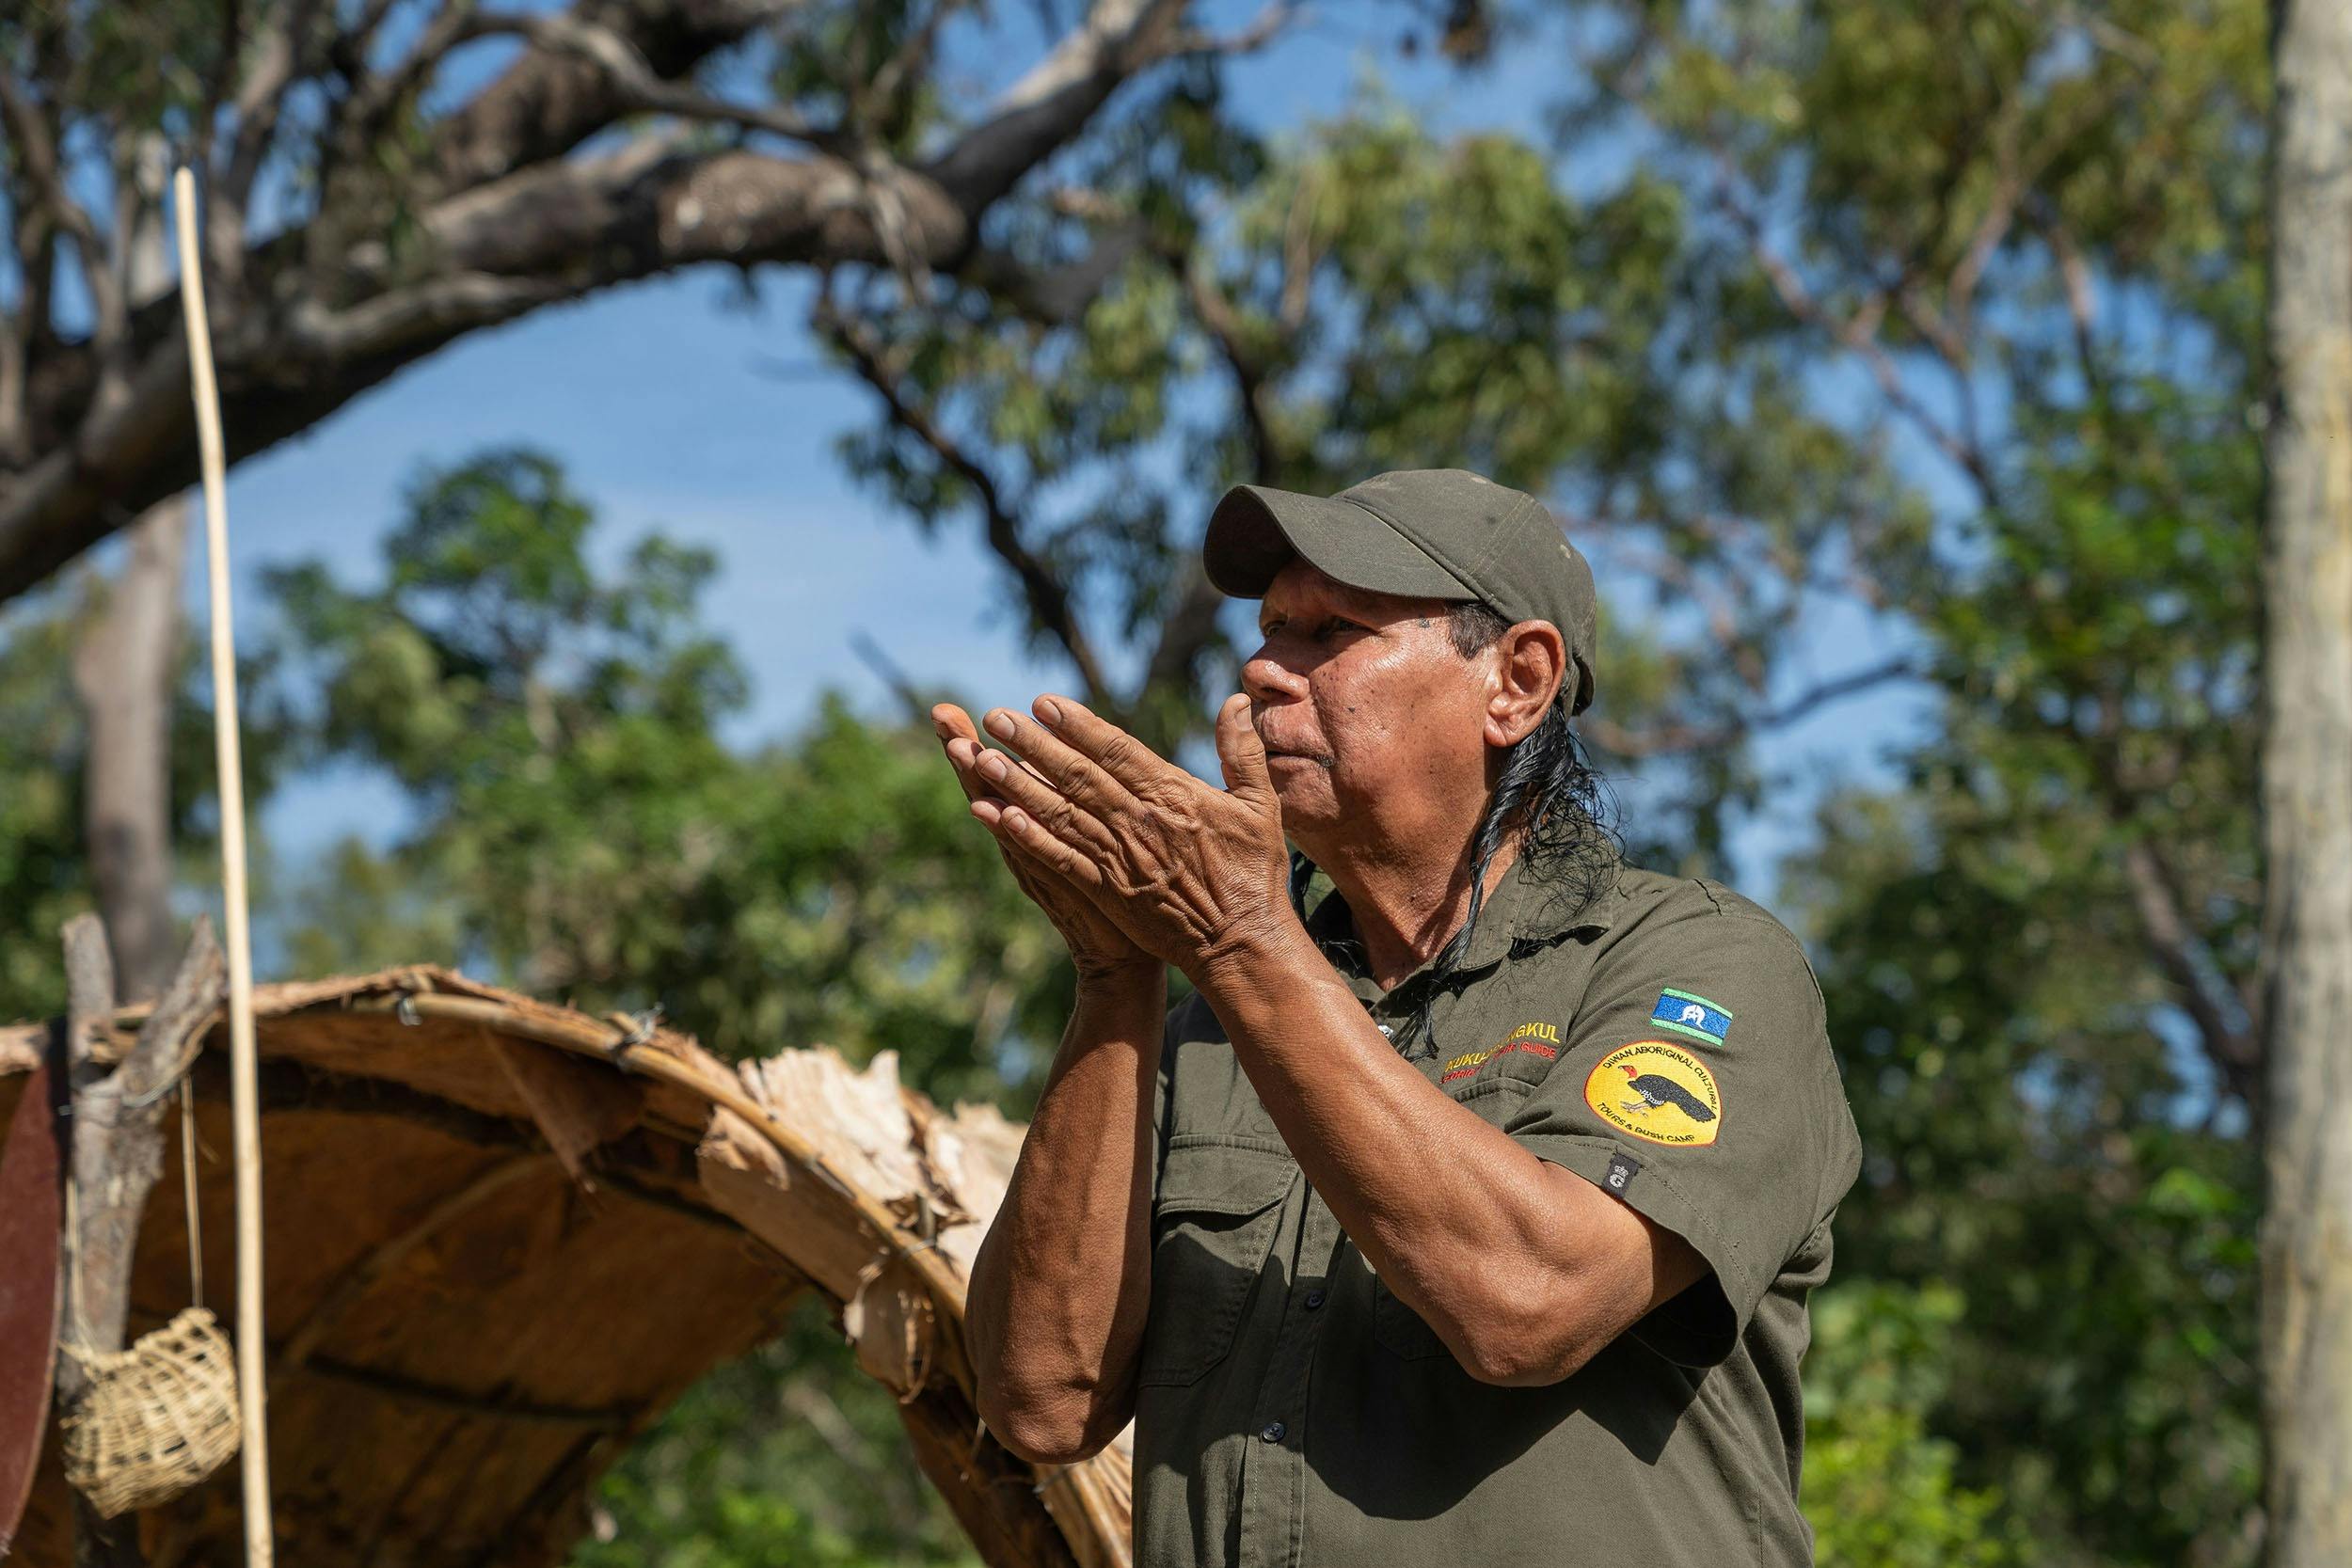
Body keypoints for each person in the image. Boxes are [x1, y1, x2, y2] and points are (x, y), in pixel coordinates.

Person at [944, 469, 1862, 1567]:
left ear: (1516, 682)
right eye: (1271, 627)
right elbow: (1040, 1401)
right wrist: (1114, 975)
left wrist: (1240, 939)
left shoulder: (1695, 962)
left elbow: (1529, 1301)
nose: (1262, 669)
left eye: (1333, 629)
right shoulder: (1204, 1029)